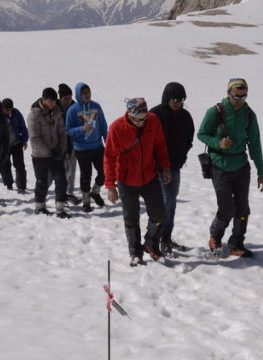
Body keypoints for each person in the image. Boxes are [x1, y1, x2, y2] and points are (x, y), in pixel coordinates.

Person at [196, 78, 263, 258]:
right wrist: (218, 143)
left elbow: (255, 144)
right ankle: (215, 236)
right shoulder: (216, 112)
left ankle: (236, 243)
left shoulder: (249, 115)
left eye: (244, 96)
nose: (240, 100)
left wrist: (261, 172)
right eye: (236, 96)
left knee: (242, 208)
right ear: (228, 93)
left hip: (241, 166)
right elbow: (202, 134)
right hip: (219, 165)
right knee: (227, 208)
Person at [105, 98, 173, 266]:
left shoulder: (153, 121)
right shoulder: (116, 128)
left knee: (159, 213)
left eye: (144, 118)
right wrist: (110, 186)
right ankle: (135, 252)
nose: (142, 122)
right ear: (129, 114)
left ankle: (151, 243)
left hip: (149, 177)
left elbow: (160, 145)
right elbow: (110, 157)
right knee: (131, 217)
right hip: (126, 180)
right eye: (138, 119)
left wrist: (165, 167)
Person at [149, 81, 195, 252]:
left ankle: (166, 238)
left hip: (174, 166)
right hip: (156, 167)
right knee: (164, 202)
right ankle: (158, 239)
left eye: (181, 99)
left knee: (171, 201)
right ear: (167, 98)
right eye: (175, 99)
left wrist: (182, 155)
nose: (178, 103)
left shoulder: (185, 116)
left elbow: (190, 137)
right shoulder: (155, 115)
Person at [28, 87, 71, 218]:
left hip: (56, 153)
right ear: (43, 99)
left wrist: (61, 149)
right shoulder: (35, 114)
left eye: (54, 101)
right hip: (40, 155)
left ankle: (60, 208)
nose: (52, 104)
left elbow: (61, 132)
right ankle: (40, 206)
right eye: (50, 101)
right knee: (42, 181)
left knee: (61, 180)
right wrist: (49, 151)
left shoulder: (56, 111)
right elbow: (34, 137)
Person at [66, 82, 109, 212]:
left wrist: (107, 140)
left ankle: (95, 192)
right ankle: (86, 202)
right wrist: (81, 128)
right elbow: (68, 130)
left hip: (97, 146)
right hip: (81, 148)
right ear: (79, 94)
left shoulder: (96, 106)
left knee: (105, 171)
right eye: (84, 93)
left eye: (88, 92)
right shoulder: (72, 110)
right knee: (86, 175)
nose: (87, 95)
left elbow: (103, 125)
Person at [1, 98, 29, 194]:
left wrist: (24, 140)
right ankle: (8, 184)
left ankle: (21, 186)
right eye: (6, 110)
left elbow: (23, 127)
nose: (9, 111)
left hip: (16, 143)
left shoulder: (16, 113)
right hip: (4, 145)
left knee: (20, 165)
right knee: (5, 165)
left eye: (10, 109)